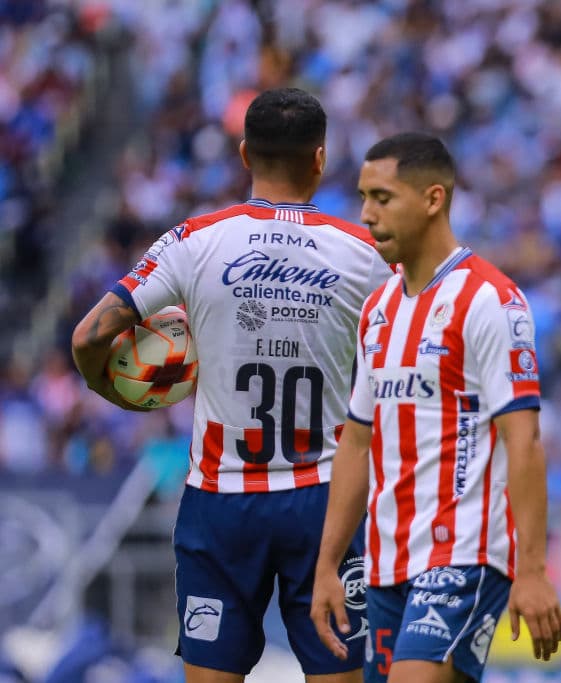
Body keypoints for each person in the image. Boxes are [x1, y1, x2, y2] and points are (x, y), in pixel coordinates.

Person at [70, 87, 393, 683]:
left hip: (221, 499)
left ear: (244, 154)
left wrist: (107, 389)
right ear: (320, 158)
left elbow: (90, 335)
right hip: (325, 498)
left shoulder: (194, 240)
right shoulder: (367, 255)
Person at [309, 132, 561, 683]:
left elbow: (525, 441)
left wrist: (533, 570)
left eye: (382, 198)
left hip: (464, 553)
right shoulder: (377, 310)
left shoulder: (490, 300)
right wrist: (329, 563)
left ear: (433, 199)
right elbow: (357, 440)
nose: (366, 214)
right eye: (362, 197)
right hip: (385, 561)